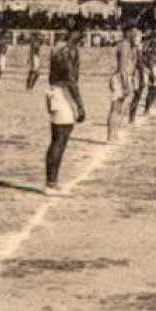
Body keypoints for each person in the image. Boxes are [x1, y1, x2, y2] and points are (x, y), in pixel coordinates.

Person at [43, 21, 87, 196]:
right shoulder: (66, 50)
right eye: (82, 32)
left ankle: (51, 182)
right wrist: (80, 105)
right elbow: (70, 80)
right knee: (60, 139)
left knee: (58, 139)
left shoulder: (61, 48)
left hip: (57, 92)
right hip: (62, 93)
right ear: (74, 33)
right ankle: (50, 183)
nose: (84, 36)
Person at [108, 24, 140, 143]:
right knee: (116, 107)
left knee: (122, 108)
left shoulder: (130, 46)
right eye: (134, 33)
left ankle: (114, 133)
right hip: (121, 78)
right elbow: (122, 66)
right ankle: (111, 135)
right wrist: (126, 84)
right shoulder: (125, 45)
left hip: (126, 77)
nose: (136, 35)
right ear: (128, 33)